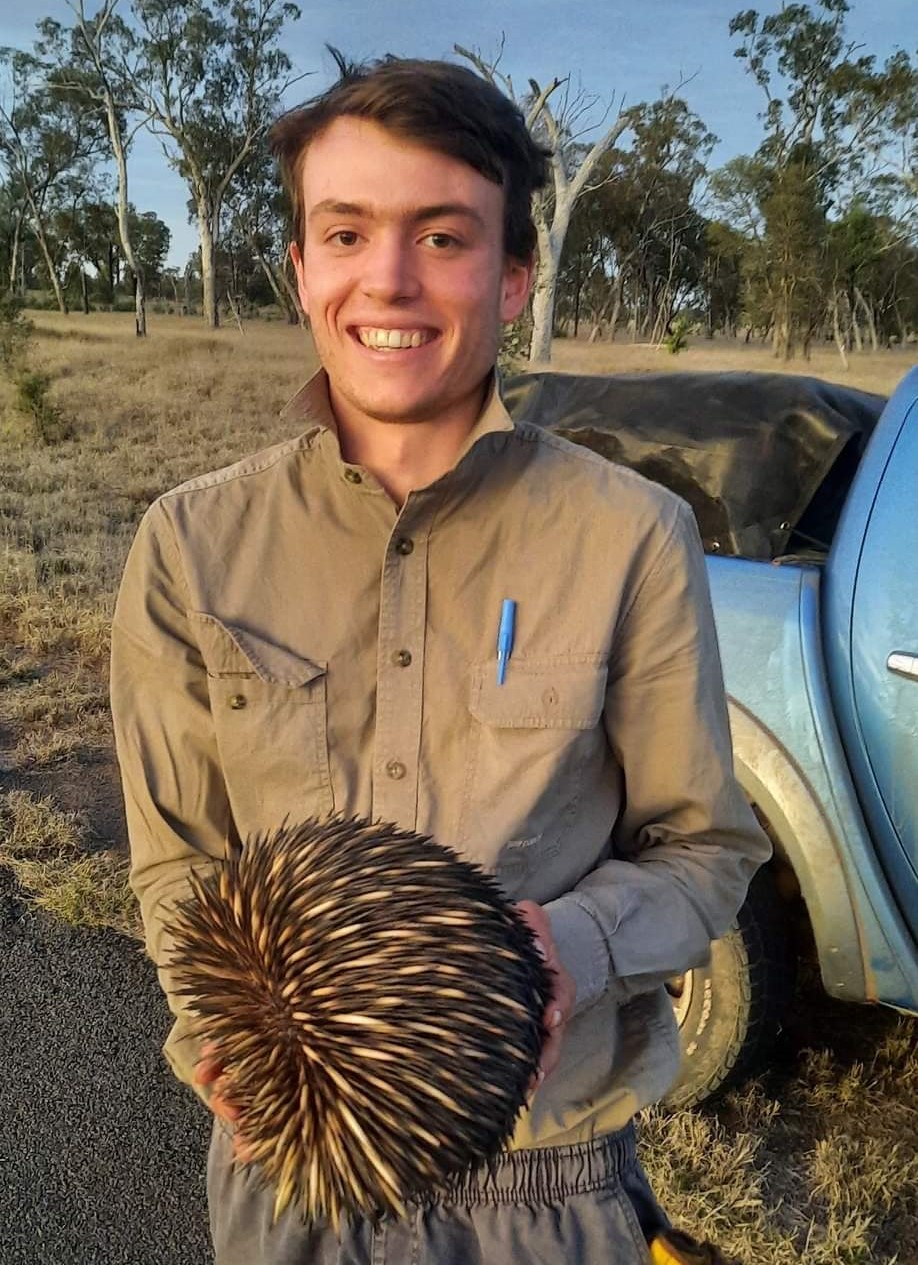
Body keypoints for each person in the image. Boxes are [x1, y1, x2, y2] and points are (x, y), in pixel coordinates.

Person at [110, 54, 770, 1265]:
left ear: (513, 276)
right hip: (288, 1162)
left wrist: (565, 948)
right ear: (301, 269)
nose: (390, 278)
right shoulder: (192, 546)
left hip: (547, 1174)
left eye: (444, 235)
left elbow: (708, 850)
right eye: (347, 230)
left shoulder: (630, 533)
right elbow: (179, 865)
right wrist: (223, 1021)